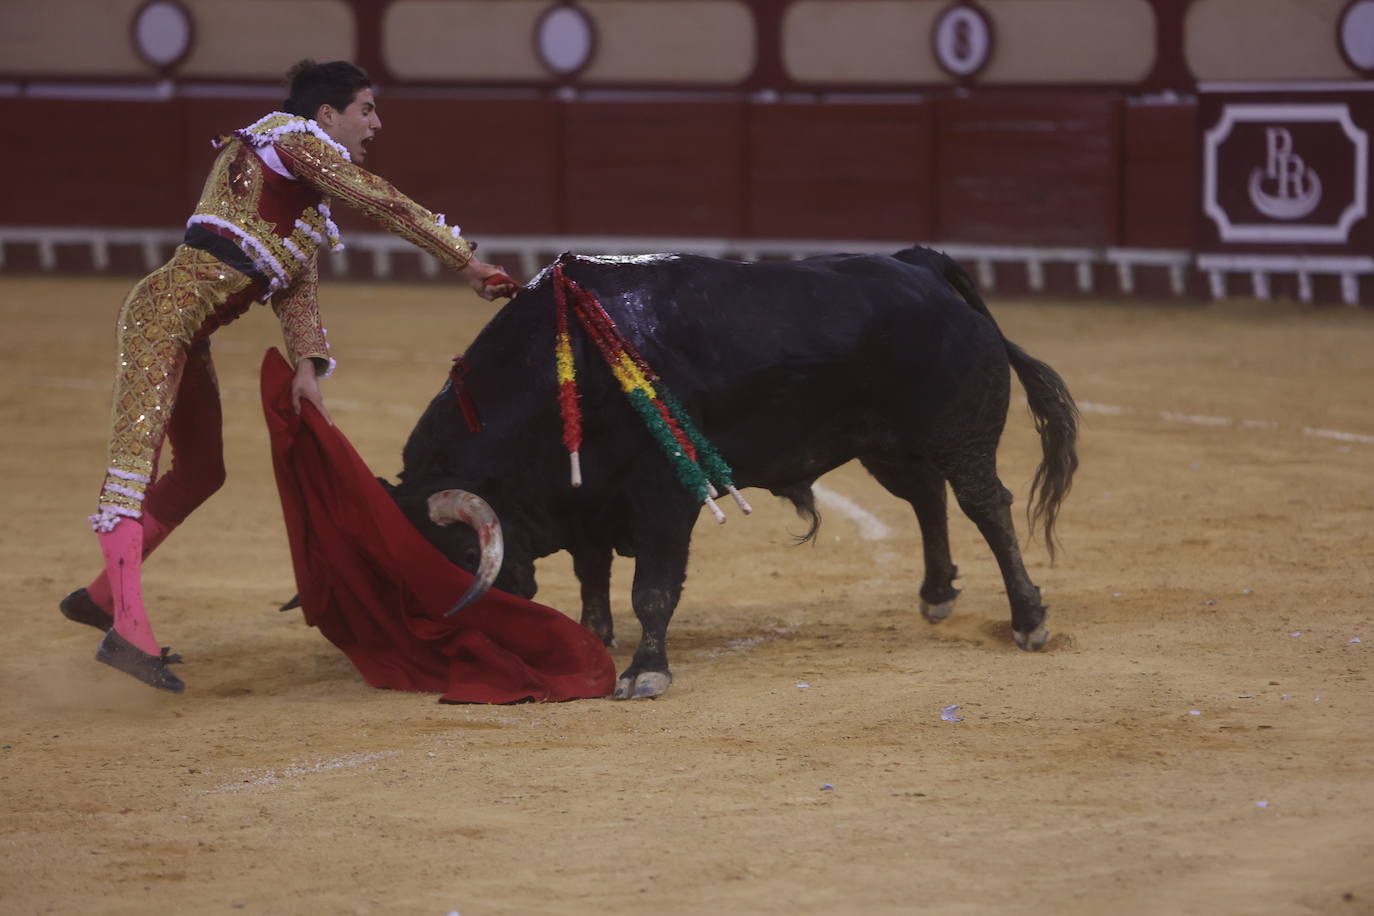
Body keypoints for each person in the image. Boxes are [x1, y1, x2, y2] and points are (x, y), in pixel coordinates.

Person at [60, 59, 517, 693]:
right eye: (366, 109)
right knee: (133, 465)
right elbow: (377, 198)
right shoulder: (292, 140)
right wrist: (464, 260)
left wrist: (308, 367)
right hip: (162, 314)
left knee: (201, 472)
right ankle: (128, 628)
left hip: (188, 331)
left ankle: (102, 597)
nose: (375, 123)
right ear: (327, 114)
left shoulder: (297, 196)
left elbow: (294, 289)